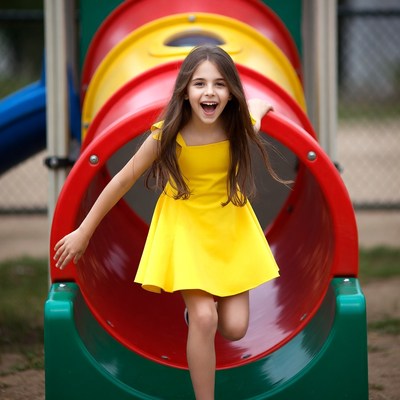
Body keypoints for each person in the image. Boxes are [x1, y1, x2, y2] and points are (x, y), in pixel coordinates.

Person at [54, 44, 285, 400]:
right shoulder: (168, 133)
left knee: (235, 328)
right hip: (185, 226)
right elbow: (122, 180)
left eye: (220, 84)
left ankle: (196, 318)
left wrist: (259, 105)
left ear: (231, 93)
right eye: (200, 84)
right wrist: (84, 231)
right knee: (207, 317)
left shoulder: (237, 127)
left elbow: (255, 110)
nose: (210, 92)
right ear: (185, 91)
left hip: (229, 227)